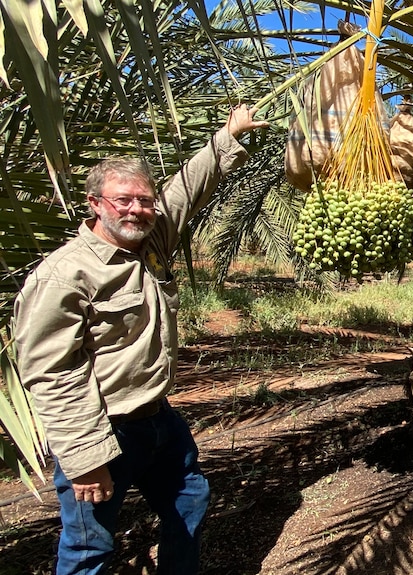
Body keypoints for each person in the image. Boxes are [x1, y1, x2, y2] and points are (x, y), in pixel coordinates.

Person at [13, 104, 269, 574]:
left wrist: (230, 135)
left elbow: (188, 186)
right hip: (102, 428)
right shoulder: (65, 275)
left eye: (145, 200)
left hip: (157, 419)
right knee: (89, 547)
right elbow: (49, 372)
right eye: (123, 200)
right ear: (95, 203)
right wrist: (85, 457)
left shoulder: (150, 240)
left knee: (190, 501)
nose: (137, 209)